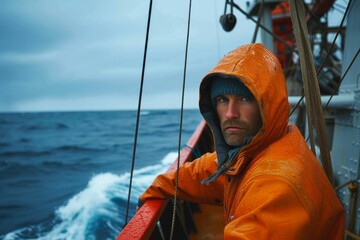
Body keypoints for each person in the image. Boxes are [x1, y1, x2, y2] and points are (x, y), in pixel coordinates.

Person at [138, 43, 345, 239]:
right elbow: (213, 170)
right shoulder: (262, 145)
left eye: (244, 99)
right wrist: (160, 186)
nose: (230, 113)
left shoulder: (274, 185)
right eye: (222, 100)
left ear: (268, 107)